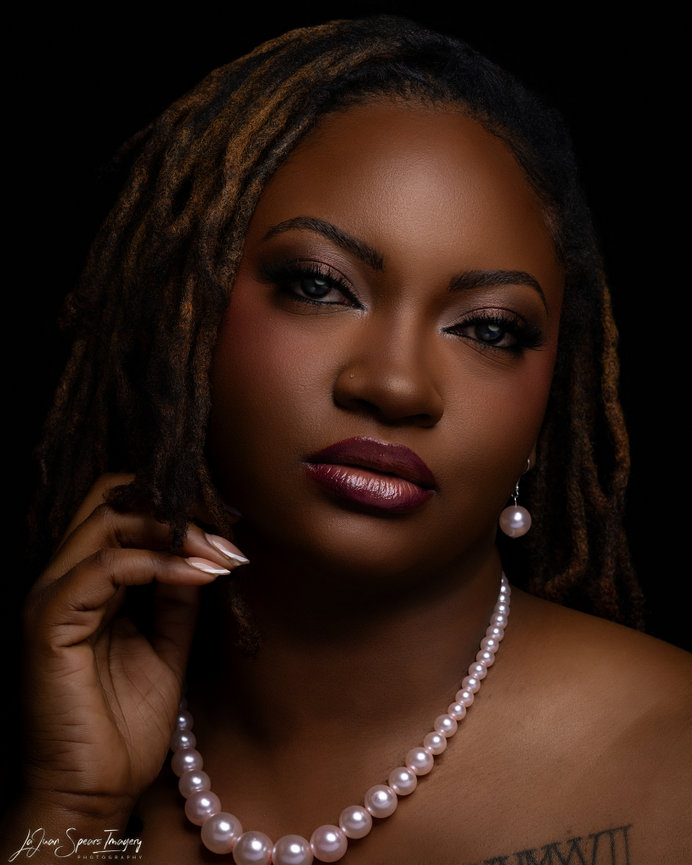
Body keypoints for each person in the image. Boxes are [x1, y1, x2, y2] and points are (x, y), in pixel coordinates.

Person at [2, 15, 689, 865]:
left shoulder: (674, 759)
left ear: (547, 406)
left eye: (488, 329)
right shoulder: (86, 756)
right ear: (182, 319)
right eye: (320, 286)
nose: (395, 385)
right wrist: (71, 809)